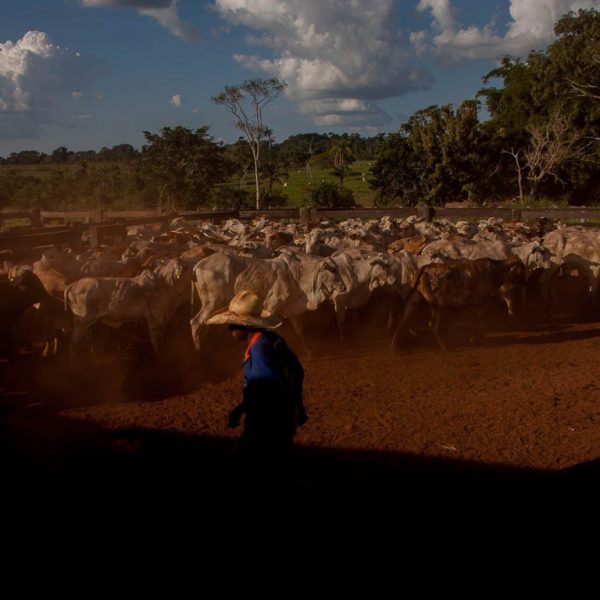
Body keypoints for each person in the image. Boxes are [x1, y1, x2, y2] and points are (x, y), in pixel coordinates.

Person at [205, 290, 308, 491]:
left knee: (242, 463)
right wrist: (298, 404)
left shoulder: (258, 348)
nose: (230, 329)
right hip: (282, 413)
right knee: (284, 462)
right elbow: (295, 371)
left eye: (234, 324)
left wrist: (240, 409)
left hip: (266, 417)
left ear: (246, 325)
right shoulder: (270, 338)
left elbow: (264, 387)